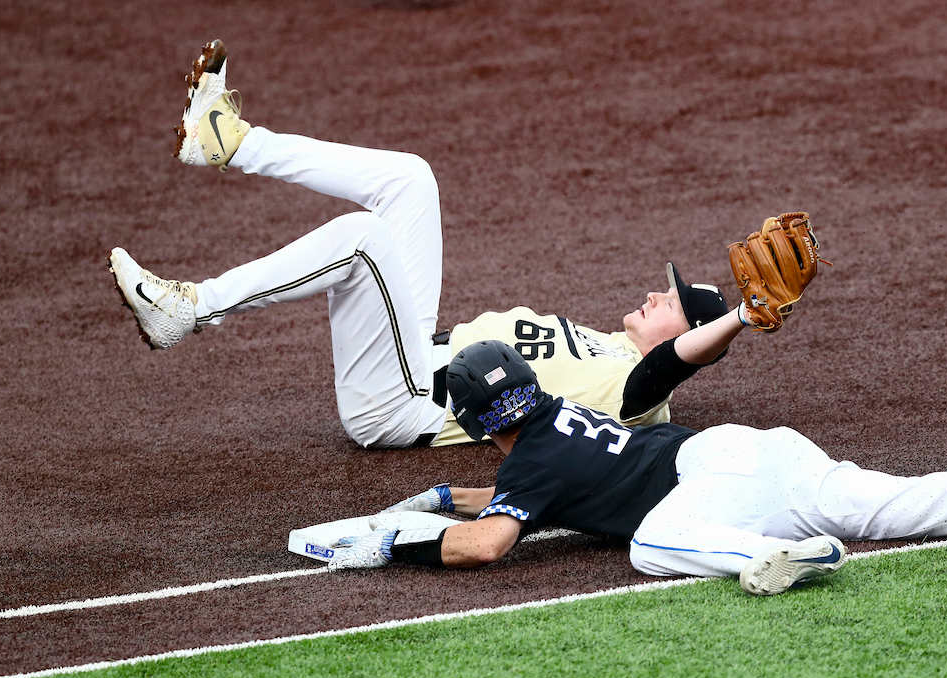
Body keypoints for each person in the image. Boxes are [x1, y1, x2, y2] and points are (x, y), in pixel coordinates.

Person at [108, 40, 747, 448]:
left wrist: (743, 318)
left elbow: (672, 368)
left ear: (684, 336)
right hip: (413, 354)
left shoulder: (635, 393)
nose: (653, 294)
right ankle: (228, 141)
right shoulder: (610, 348)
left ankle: (191, 308)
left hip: (403, 403)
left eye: (670, 301)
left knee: (361, 241)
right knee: (411, 179)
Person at [327, 340, 947, 596]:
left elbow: (488, 546)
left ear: (474, 422)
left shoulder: (531, 465)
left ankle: (763, 561)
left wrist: (393, 546)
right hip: (756, 452)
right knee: (913, 503)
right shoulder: (556, 424)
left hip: (713, 493)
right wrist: (447, 495)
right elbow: (530, 490)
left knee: (651, 549)